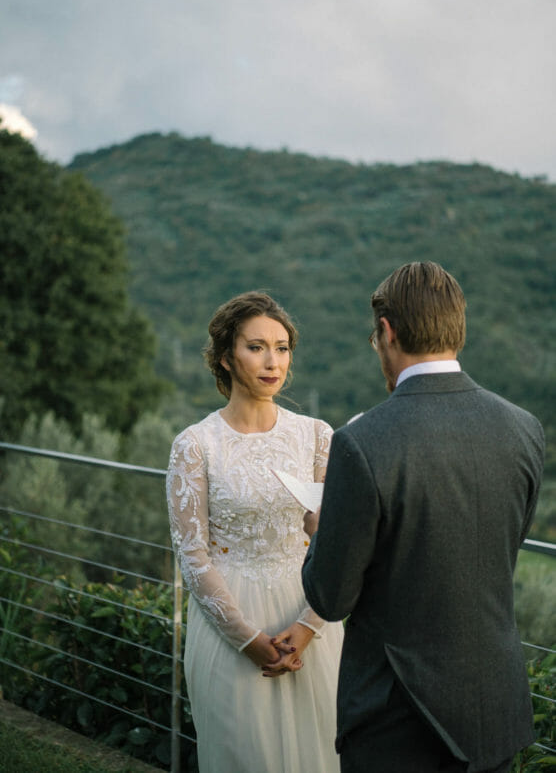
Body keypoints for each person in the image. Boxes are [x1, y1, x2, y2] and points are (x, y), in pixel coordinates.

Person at [302, 262, 545, 773]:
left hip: (396, 719)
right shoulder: (525, 429)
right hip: (494, 710)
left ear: (386, 331)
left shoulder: (362, 443)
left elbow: (330, 597)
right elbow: (501, 550)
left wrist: (322, 533)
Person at [166, 291, 344, 773]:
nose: (273, 361)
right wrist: (247, 639)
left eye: (283, 347)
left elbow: (339, 546)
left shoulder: (317, 437)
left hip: (310, 621)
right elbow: (192, 555)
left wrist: (309, 626)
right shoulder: (196, 445)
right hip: (230, 628)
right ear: (225, 357)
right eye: (257, 347)